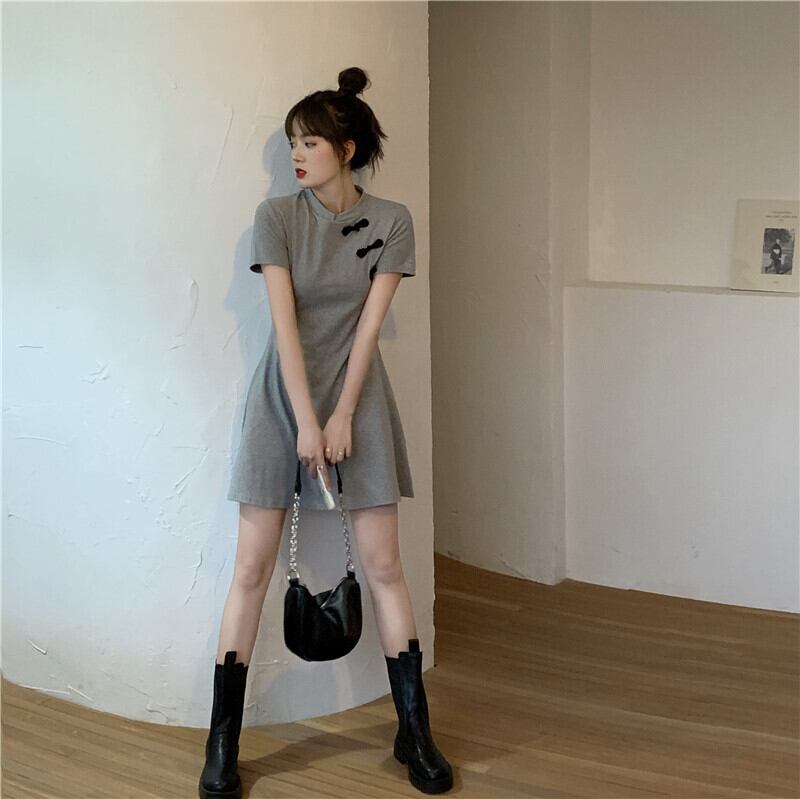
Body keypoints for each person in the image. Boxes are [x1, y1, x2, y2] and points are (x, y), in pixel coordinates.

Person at [198, 67, 454, 798]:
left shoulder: (393, 220)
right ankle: (223, 742)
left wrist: (341, 414)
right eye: (291, 143)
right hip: (282, 401)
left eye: (309, 143)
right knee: (251, 569)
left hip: (359, 402)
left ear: (346, 149)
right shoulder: (277, 216)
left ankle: (415, 731)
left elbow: (368, 329)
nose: (296, 156)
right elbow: (285, 328)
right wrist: (307, 420)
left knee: (385, 566)